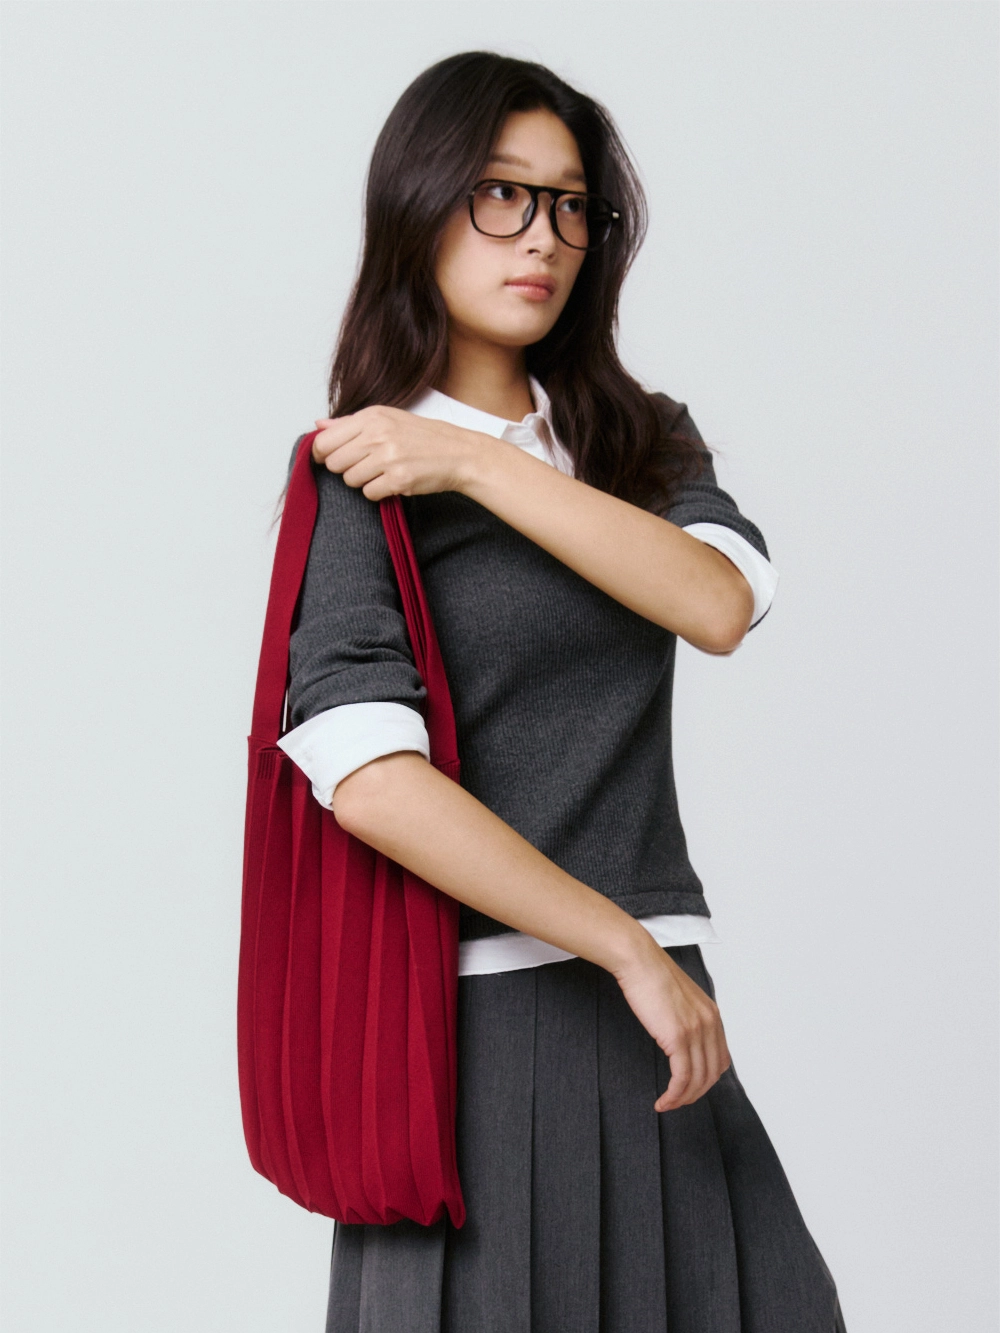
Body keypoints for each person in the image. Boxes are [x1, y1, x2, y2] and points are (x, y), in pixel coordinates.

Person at [275, 50, 846, 1333]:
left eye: (570, 204)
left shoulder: (636, 438)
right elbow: (371, 781)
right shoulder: (359, 471)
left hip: (660, 1010)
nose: (541, 235)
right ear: (420, 203)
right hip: (478, 1022)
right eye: (501, 194)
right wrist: (621, 944)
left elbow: (715, 603)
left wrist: (479, 465)